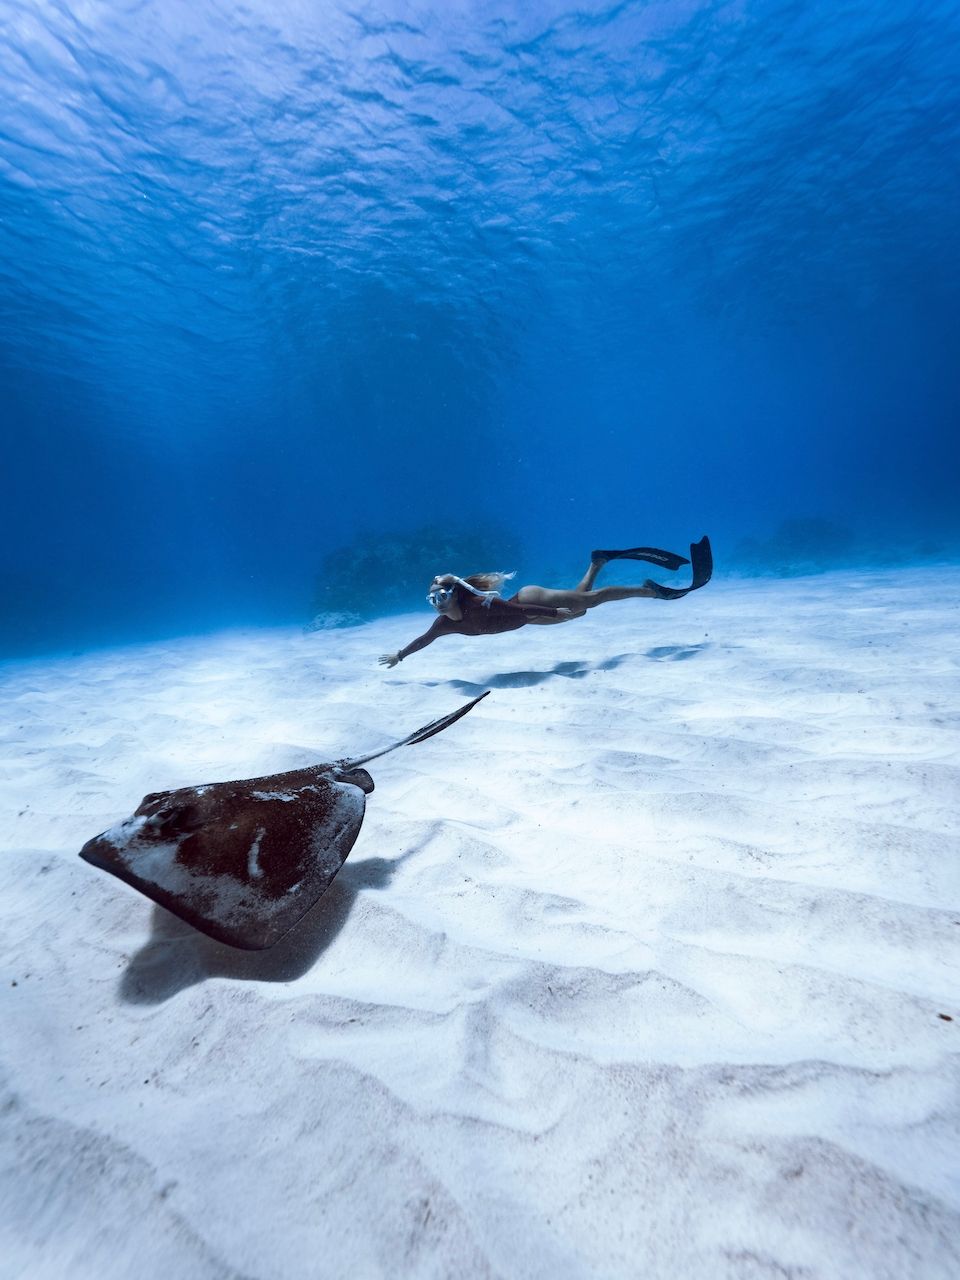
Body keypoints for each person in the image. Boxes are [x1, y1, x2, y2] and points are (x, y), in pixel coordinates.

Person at [378, 536, 712, 667]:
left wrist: (553, 611)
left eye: (443, 594)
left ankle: (652, 591)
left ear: (455, 594)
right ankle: (598, 561)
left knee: (590, 602)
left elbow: (519, 610)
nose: (438, 601)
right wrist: (400, 655)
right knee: (580, 607)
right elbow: (423, 640)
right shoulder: (442, 625)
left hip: (530, 602)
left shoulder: (480, 606)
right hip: (531, 617)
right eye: (432, 598)